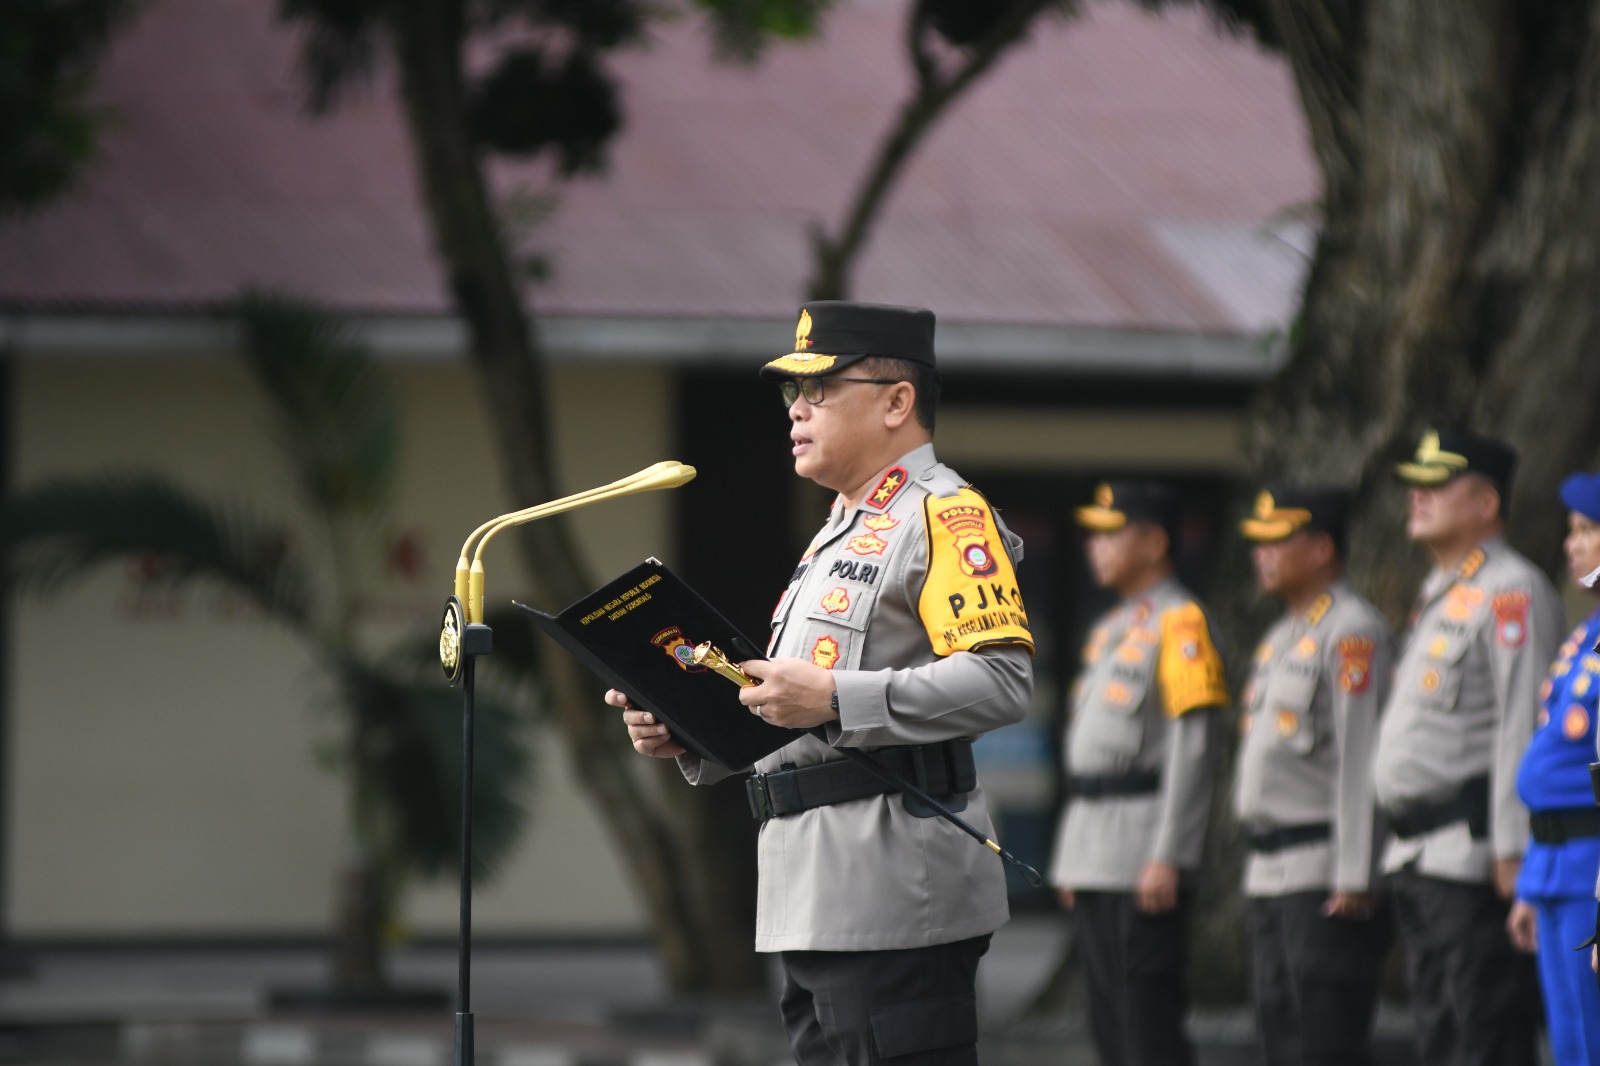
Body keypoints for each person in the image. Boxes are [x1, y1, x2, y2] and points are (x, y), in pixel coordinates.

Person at [612, 301, 1035, 1066]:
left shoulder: (943, 515)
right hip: (812, 891)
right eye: (789, 395)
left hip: (893, 890)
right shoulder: (842, 527)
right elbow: (796, 709)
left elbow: (1002, 681)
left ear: (897, 402)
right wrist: (689, 728)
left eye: (820, 390)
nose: (796, 410)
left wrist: (839, 697)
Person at [1373, 428, 1563, 1066]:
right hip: (1420, 853)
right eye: (1414, 486)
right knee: (1441, 1033)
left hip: (1474, 857)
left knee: (1483, 1032)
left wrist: (1513, 848)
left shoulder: (1513, 590)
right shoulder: (1443, 591)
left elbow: (1522, 725)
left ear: (1486, 504)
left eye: (1436, 486)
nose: (1417, 498)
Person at [1047, 480, 1228, 1066]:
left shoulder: (1183, 622)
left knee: (1147, 1025)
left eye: (1110, 533)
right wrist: (1073, 857)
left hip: (1142, 851)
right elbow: (1090, 758)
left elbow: (1194, 746)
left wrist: (1170, 852)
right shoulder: (1110, 629)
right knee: (1109, 1025)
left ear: (1153, 543)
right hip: (1097, 851)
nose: (1094, 546)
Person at [1234, 486, 1394, 1066]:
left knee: (1327, 1039)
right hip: (1270, 870)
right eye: (1259, 542)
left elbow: (1361, 758)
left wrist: (1355, 874)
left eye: (1279, 541)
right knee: (1280, 1034)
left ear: (1323, 548)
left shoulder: (1351, 631)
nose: (1263, 554)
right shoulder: (1282, 635)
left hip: (1323, 872)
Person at [1505, 469, 1600, 1065]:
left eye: (1589, 529)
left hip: (1592, 870)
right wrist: (1529, 884)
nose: (1573, 544)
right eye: (1572, 530)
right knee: (1568, 1043)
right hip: (1556, 869)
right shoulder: (1584, 636)